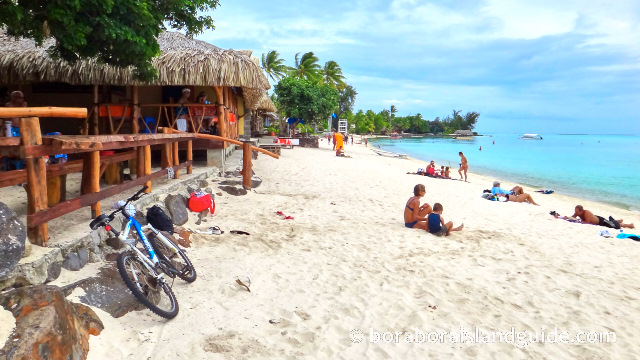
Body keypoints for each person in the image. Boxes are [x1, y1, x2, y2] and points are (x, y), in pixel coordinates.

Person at [568, 205, 634, 229]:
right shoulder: (578, 213)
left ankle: (629, 225)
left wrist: (580, 221)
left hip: (600, 221)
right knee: (610, 222)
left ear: (581, 211)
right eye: (575, 212)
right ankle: (618, 220)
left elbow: (587, 222)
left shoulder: (586, 213)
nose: (576, 213)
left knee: (614, 225)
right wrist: (568, 217)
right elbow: (573, 217)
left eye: (577, 212)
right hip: (596, 218)